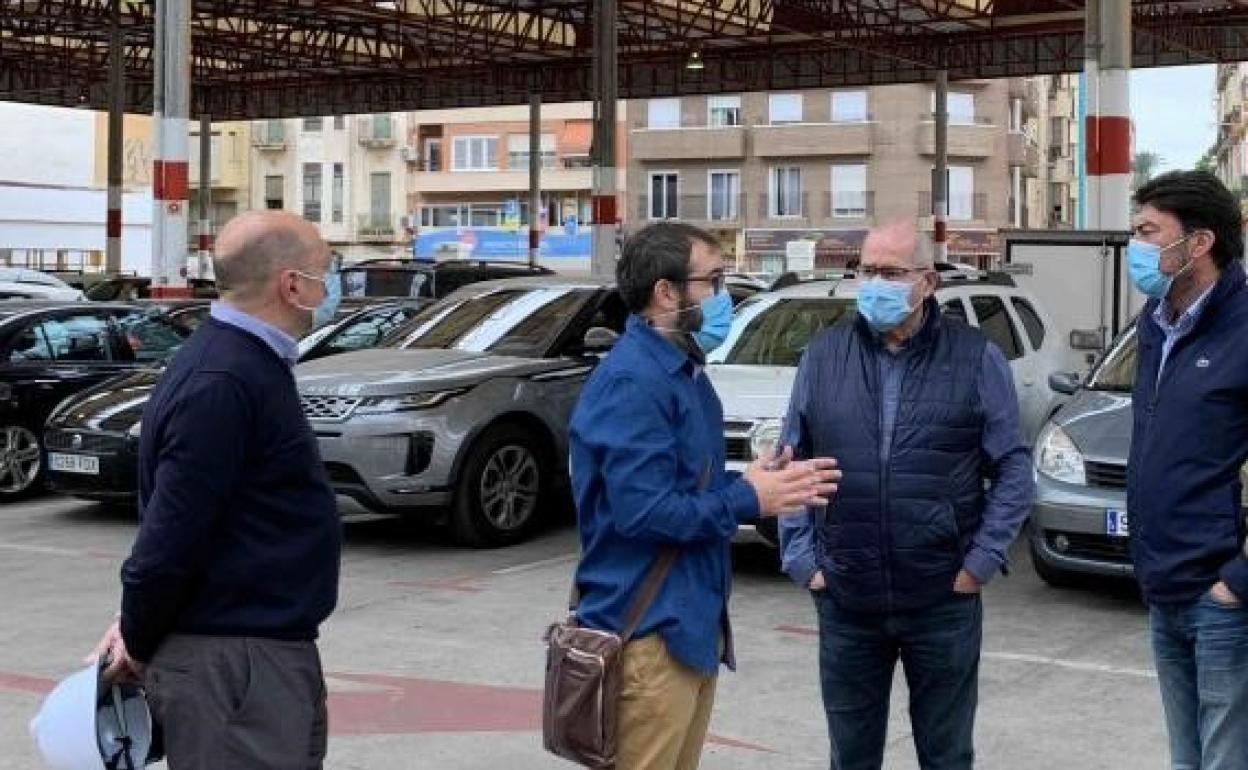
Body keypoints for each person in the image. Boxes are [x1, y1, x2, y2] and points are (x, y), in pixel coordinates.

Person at [569, 222, 841, 770]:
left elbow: (685, 488)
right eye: (713, 281)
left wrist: (752, 483)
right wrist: (748, 502)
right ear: (666, 292)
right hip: (648, 634)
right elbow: (643, 512)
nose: (725, 297)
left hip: (688, 627)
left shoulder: (684, 372)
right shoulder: (634, 381)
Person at [87, 210, 344, 770]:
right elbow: (170, 536)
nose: (333, 286)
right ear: (292, 285)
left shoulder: (241, 363)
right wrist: (138, 630)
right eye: (326, 271)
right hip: (234, 666)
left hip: (253, 655)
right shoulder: (223, 380)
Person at [779, 220, 1033, 770]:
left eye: (891, 272)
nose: (875, 283)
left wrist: (982, 561)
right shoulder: (823, 356)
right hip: (848, 598)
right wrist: (803, 560)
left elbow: (1012, 467)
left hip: (942, 600)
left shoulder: (975, 357)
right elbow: (789, 462)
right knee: (851, 755)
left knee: (945, 755)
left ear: (928, 282)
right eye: (867, 271)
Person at [1126, 170, 1248, 770]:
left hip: (1224, 596)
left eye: (1149, 232)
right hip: (1165, 585)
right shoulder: (1156, 324)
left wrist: (1237, 579)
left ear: (1198, 243)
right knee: (1186, 759)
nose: (1136, 246)